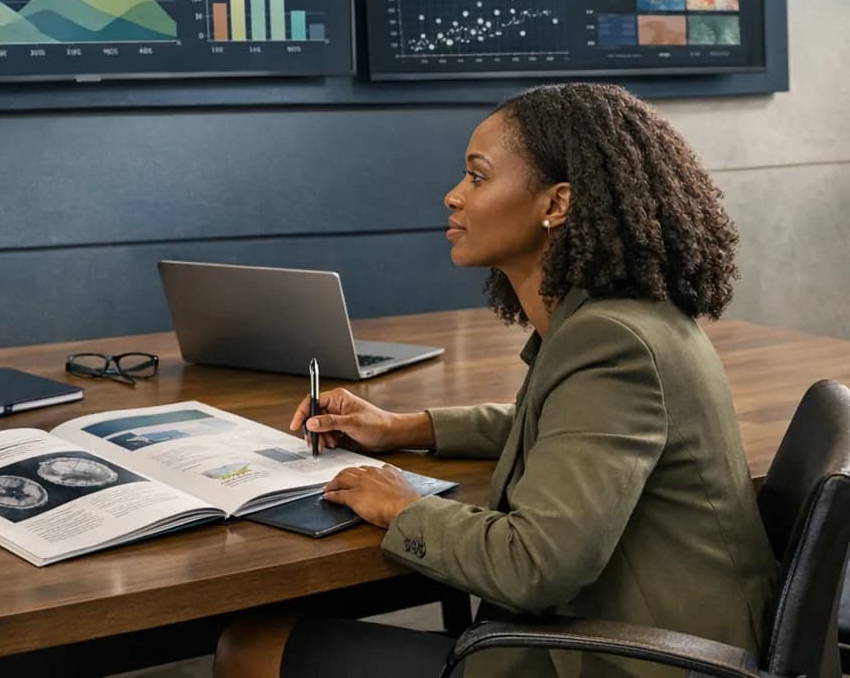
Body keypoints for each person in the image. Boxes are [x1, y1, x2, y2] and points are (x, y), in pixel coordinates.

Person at [215, 83, 777, 678]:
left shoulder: (611, 342)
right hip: (653, 633)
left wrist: (403, 508)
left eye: (478, 178)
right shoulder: (621, 317)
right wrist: (399, 428)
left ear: (556, 204)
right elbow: (564, 427)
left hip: (638, 658)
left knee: (248, 648)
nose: (453, 196)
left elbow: (534, 565)